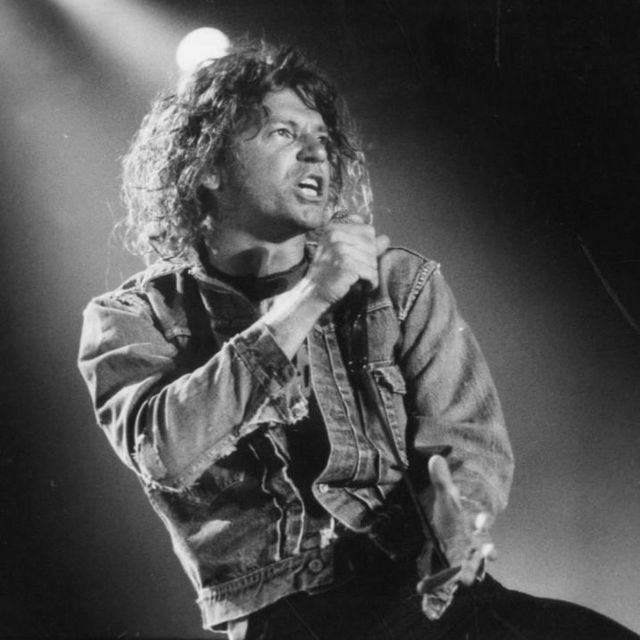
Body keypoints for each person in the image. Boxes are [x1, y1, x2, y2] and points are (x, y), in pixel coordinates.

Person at [77, 40, 638, 639]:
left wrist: (459, 518)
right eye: (284, 133)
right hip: (291, 614)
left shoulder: (397, 282)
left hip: (423, 591)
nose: (317, 151)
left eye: (321, 137)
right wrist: (311, 297)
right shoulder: (132, 316)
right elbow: (164, 452)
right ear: (207, 167)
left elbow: (467, 443)